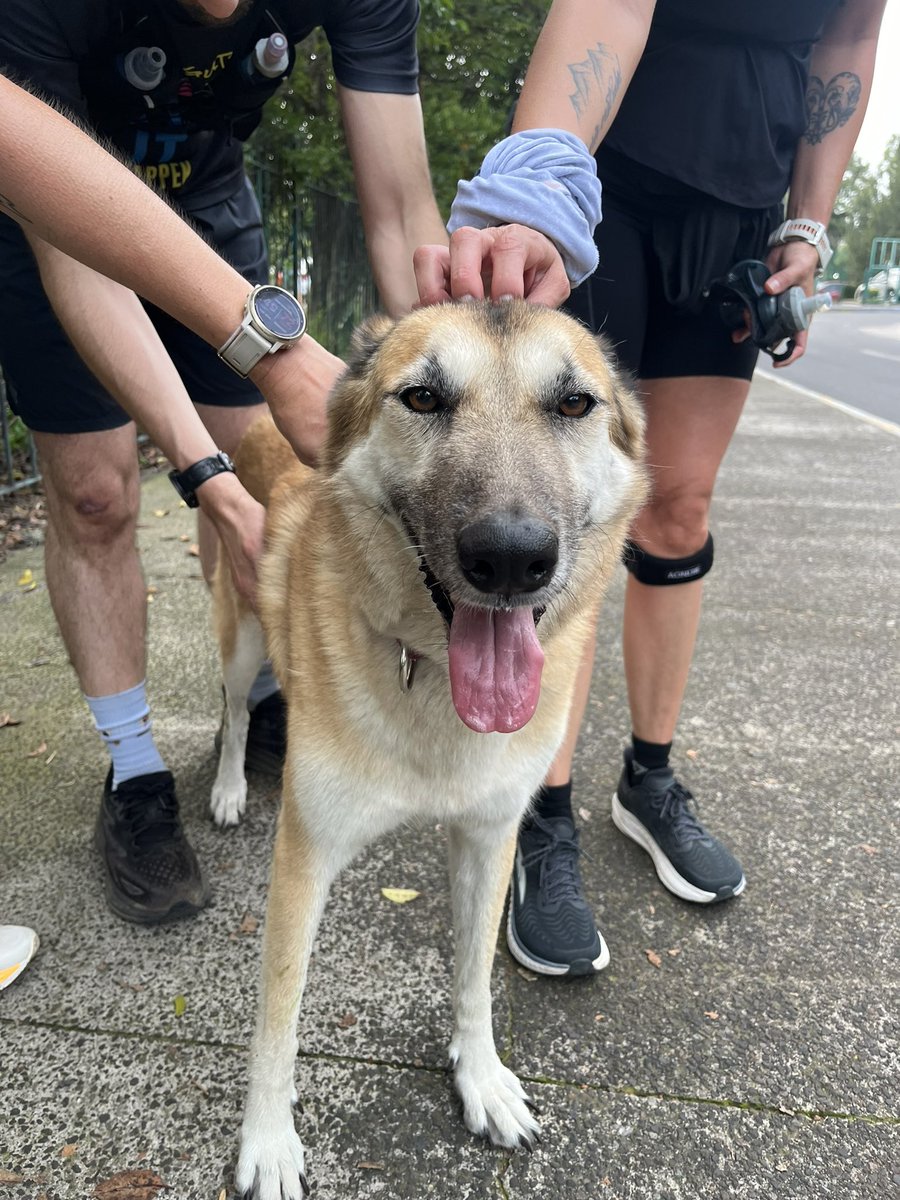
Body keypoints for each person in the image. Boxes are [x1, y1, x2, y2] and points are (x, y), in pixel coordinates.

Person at [416, 0, 887, 976]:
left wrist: (809, 215)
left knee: (679, 508)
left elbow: (848, 36)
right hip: (605, 195)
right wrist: (534, 193)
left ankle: (649, 780)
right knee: (573, 517)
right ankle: (540, 813)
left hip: (744, 207)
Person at [0, 0, 449, 927]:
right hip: (42, 206)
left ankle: (259, 694)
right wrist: (204, 475)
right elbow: (75, 244)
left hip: (204, 199)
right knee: (93, 497)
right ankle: (134, 775)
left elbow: (404, 210)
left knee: (259, 479)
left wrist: (443, 409)